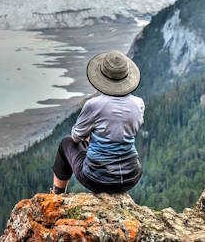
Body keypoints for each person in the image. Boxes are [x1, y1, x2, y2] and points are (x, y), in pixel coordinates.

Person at [51, 50, 145, 194]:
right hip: (131, 177)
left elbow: (76, 136)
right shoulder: (139, 103)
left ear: (102, 77)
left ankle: (57, 195)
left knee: (66, 143)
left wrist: (91, 138)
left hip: (97, 180)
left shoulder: (94, 105)